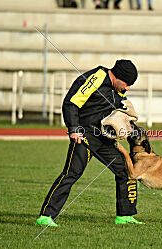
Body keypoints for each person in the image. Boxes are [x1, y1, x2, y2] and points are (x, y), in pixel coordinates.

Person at [36, 59, 144, 226]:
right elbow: (71, 102)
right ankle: (46, 216)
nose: (127, 88)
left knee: (126, 170)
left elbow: (117, 112)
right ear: (117, 76)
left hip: (104, 138)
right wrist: (73, 128)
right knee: (72, 173)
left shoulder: (118, 89)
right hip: (84, 135)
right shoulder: (96, 77)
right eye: (127, 84)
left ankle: (125, 215)